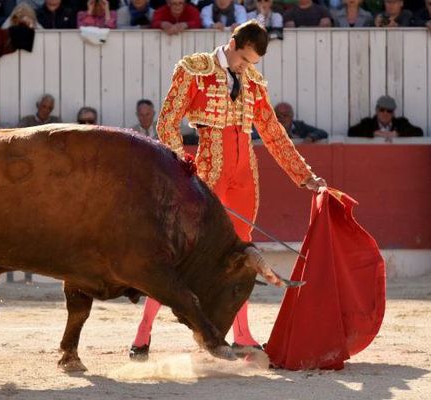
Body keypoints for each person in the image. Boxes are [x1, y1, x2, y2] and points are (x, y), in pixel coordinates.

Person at [129, 20, 326, 361]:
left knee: (243, 255)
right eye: (244, 59)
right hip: (208, 169)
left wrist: (304, 175)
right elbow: (167, 120)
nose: (247, 68)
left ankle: (243, 333)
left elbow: (272, 132)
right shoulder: (195, 69)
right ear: (233, 44)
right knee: (181, 255)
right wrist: (180, 165)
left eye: (252, 63)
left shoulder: (254, 82)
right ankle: (144, 331)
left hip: (244, 173)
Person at [348, 95, 423, 141]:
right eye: (382, 110)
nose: (385, 113)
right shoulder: (368, 123)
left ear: (393, 113)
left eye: (389, 110)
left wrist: (398, 134)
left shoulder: (401, 123)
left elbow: (419, 132)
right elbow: (351, 131)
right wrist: (373, 133)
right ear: (377, 110)